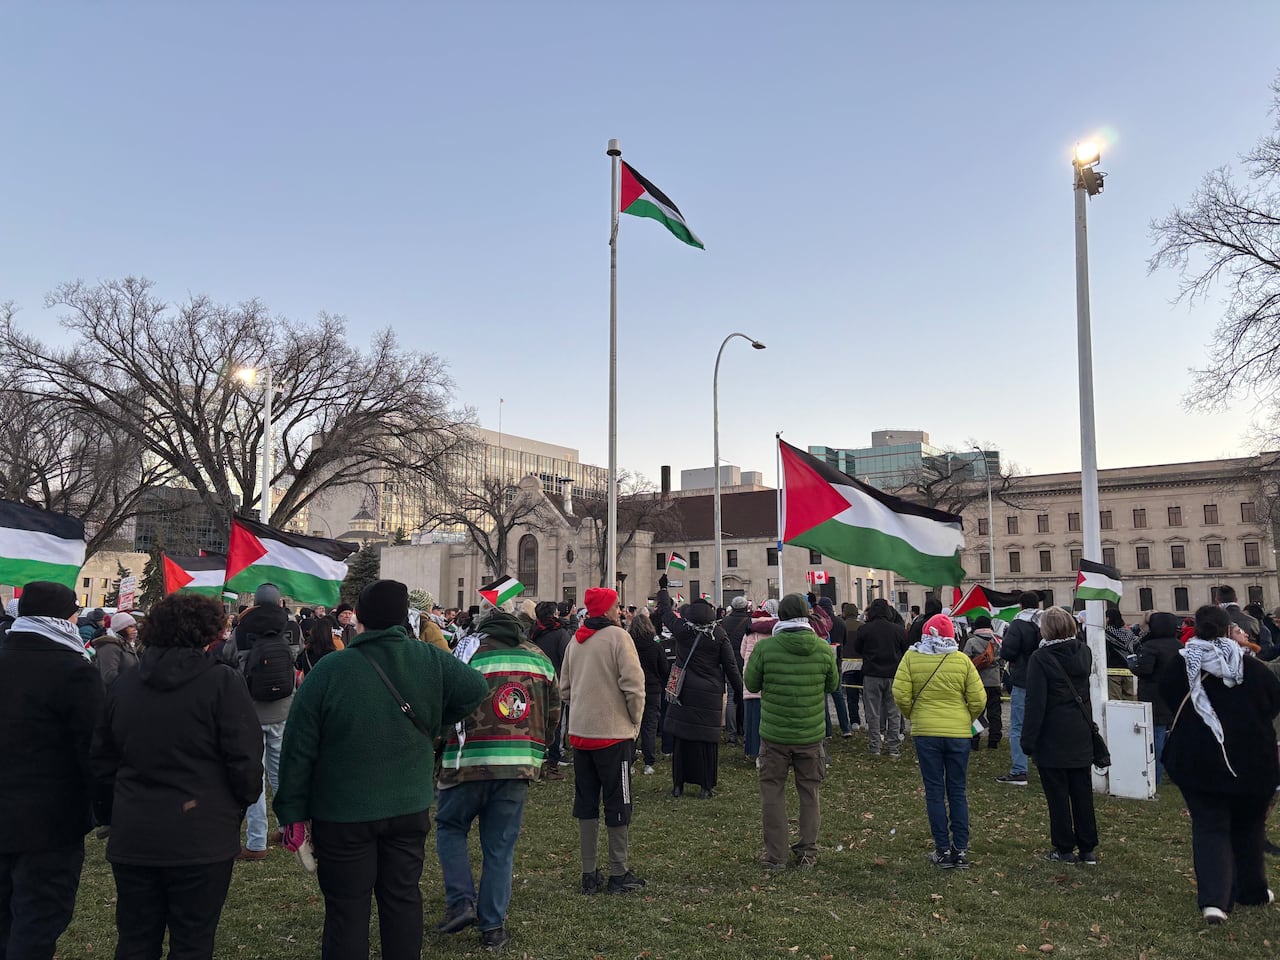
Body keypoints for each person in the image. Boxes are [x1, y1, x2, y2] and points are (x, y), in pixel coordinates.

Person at [273, 580, 488, 959]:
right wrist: (436, 723)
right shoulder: (430, 659)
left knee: (346, 910)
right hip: (408, 807)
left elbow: (297, 746)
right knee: (402, 899)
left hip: (342, 813)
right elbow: (475, 688)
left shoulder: (330, 670)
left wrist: (291, 811)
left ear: (360, 619)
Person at [90, 593, 263, 959]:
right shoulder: (220, 683)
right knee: (191, 940)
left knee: (137, 939)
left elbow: (102, 762)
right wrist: (234, 806)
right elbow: (246, 761)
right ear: (209, 633)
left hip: (147, 831)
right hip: (197, 835)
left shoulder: (126, 685)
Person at [432, 598, 560, 951]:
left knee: (450, 827)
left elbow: (446, 704)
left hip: (466, 761)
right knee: (500, 845)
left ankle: (461, 902)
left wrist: (438, 747)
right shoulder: (539, 657)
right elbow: (553, 711)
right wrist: (539, 749)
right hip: (518, 763)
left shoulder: (466, 653)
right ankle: (493, 928)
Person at [0, 581, 104, 960]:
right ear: (65, 617)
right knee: (38, 919)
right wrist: (104, 807)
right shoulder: (74, 671)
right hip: (51, 821)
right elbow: (93, 749)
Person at [1159, 604, 1280, 923]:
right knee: (1249, 827)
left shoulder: (1182, 666)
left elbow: (1169, 696)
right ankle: (1252, 890)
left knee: (1210, 826)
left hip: (1200, 758)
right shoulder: (1252, 668)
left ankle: (1215, 899)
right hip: (1253, 761)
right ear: (1229, 630)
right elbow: (1272, 703)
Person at [558, 586, 646, 895]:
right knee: (618, 801)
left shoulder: (575, 641)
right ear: (608, 609)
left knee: (586, 802)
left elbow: (564, 688)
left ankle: (588, 871)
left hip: (582, 733)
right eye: (617, 606)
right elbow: (634, 686)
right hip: (612, 733)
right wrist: (634, 721)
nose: (621, 611)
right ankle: (618, 872)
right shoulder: (619, 638)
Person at [743, 592, 839, 868]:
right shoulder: (822, 649)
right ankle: (808, 851)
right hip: (810, 734)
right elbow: (832, 685)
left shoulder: (766, 648)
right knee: (809, 793)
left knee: (772, 792)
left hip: (775, 734)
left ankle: (775, 855)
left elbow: (751, 681)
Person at [893, 614, 986, 868]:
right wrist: (967, 718)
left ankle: (942, 850)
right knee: (957, 789)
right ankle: (961, 849)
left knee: (934, 790)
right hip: (958, 733)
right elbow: (978, 698)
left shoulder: (912, 658)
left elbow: (900, 693)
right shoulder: (961, 661)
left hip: (926, 732)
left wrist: (914, 714)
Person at [1021, 606, 1100, 864]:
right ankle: (1087, 847)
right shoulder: (1084, 652)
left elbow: (1036, 703)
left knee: (1057, 796)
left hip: (1052, 733)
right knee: (1082, 792)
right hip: (1079, 729)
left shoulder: (1041, 658)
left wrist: (1029, 739)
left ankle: (1064, 847)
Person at [230, 583, 302, 861]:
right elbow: (296, 657)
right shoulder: (292, 626)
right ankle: (286, 829)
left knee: (253, 776)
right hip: (284, 707)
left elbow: (230, 657)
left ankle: (256, 842)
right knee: (280, 771)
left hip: (251, 710)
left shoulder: (243, 628)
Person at [656, 593, 743, 798]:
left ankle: (678, 785)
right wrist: (739, 691)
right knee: (706, 743)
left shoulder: (682, 630)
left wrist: (663, 591)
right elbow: (730, 666)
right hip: (709, 693)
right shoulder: (719, 634)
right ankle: (705, 786)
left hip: (683, 691)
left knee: (682, 740)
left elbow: (666, 613)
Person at [1126, 611, 1182, 785]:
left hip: (1154, 697)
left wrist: (1133, 664)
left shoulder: (1150, 646)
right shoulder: (1179, 645)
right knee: (1171, 738)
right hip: (1174, 696)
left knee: (1155, 740)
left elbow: (1145, 670)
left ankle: (1155, 777)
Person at [996, 592, 1042, 786]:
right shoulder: (1045, 622)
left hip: (1023, 677)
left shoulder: (1018, 624)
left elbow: (1007, 651)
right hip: (1044, 680)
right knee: (1043, 724)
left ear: (1021, 606)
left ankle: (1019, 770)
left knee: (1018, 726)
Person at [855, 598, 908, 757]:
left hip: (872, 674)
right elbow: (904, 649)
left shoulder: (865, 630)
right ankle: (894, 747)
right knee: (894, 712)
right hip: (893, 675)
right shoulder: (898, 630)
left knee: (873, 713)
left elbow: (858, 649)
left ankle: (875, 746)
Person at [530, 601, 571, 780]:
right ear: (553, 614)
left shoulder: (531, 633)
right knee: (554, 724)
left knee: (535, 724)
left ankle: (536, 763)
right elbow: (567, 659)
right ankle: (553, 765)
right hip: (555, 683)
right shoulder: (561, 633)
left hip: (533, 682)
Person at [627, 609, 668, 774]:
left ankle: (629, 761)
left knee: (631, 725)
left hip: (631, 688)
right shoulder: (655, 644)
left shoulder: (628, 644)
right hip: (652, 688)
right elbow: (664, 667)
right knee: (649, 726)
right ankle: (648, 762)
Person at [962, 615, 1003, 750]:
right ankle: (994, 740)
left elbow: (966, 662)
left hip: (977, 681)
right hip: (995, 681)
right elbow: (1002, 660)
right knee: (995, 712)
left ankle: (975, 740)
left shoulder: (971, 642)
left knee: (977, 712)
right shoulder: (997, 640)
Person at [816, 597, 852, 738]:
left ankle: (827, 731)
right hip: (837, 661)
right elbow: (845, 640)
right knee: (838, 695)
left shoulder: (819, 622)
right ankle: (846, 728)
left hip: (822, 661)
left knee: (823, 697)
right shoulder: (840, 622)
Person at [722, 597, 753, 745]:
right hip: (745, 661)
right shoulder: (749, 621)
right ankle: (747, 732)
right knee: (746, 696)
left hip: (729, 662)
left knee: (731, 698)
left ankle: (731, 735)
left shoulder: (724, 621)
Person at [94, 611, 140, 689]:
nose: (134, 630)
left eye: (135, 626)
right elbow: (109, 675)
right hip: (114, 695)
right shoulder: (109, 647)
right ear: (121, 628)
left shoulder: (126, 645)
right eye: (131, 626)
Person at [840, 603, 863, 729]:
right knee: (866, 696)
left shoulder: (842, 626)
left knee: (851, 696)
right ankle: (870, 721)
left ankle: (855, 721)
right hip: (862, 664)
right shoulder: (862, 626)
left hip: (847, 665)